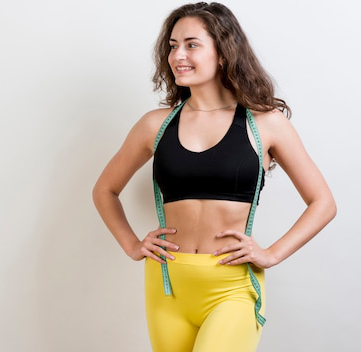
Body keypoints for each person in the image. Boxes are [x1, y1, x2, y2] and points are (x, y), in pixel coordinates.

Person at [92, 2, 336, 352]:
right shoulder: (155, 124)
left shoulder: (265, 124)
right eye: (173, 46)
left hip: (232, 286)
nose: (178, 55)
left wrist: (271, 254)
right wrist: (132, 245)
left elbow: (323, 202)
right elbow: (105, 189)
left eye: (191, 44)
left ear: (223, 52)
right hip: (167, 285)